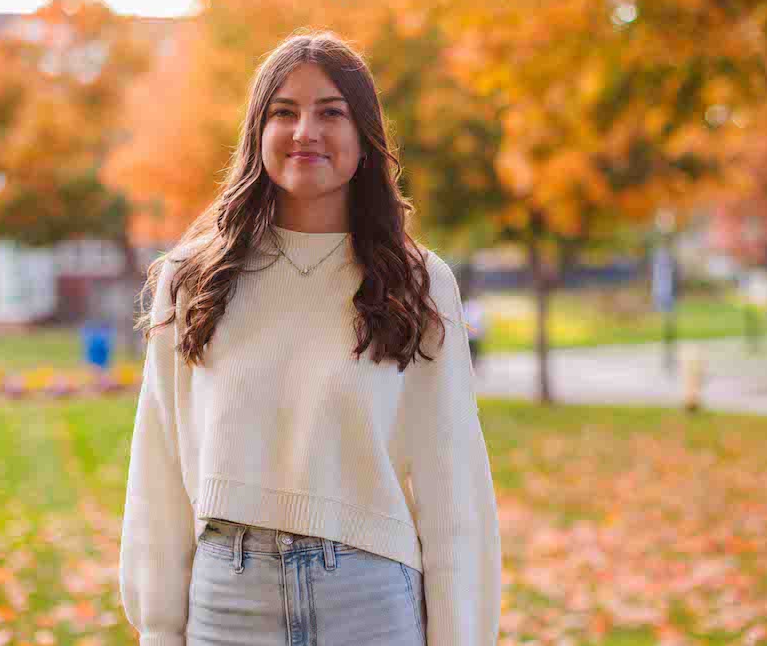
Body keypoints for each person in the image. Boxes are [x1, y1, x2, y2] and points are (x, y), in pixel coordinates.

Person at [119, 31, 502, 646]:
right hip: (228, 601)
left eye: (331, 112)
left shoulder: (419, 283)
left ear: (365, 139)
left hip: (370, 599)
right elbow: (158, 473)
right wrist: (160, 629)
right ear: (257, 133)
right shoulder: (192, 280)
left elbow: (453, 483)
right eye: (284, 112)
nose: (306, 132)